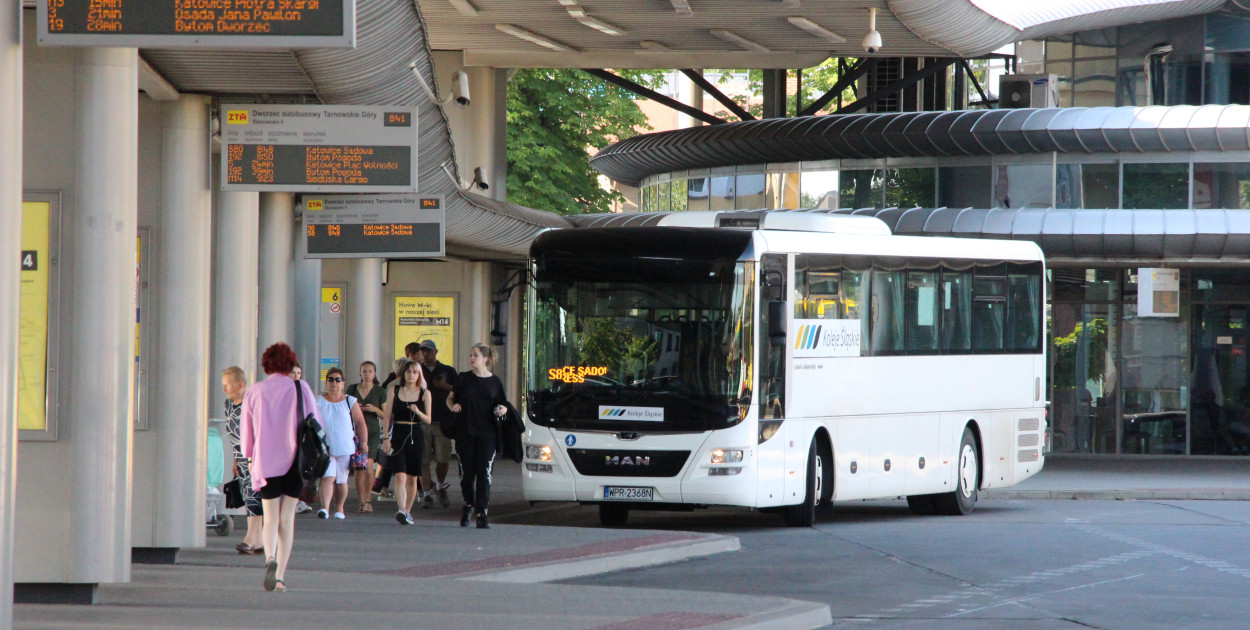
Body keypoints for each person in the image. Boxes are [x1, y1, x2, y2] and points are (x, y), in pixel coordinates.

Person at [240, 342, 322, 592]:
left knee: (270, 518)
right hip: (295, 462)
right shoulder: (300, 388)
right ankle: (280, 577)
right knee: (287, 520)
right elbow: (316, 423)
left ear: (266, 364)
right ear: (289, 363)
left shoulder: (255, 390)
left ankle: (270, 559)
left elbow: (247, 432)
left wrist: (249, 456)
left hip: (265, 463)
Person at [447, 343, 508, 529]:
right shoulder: (463, 378)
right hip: (465, 431)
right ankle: (468, 504)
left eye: (476, 355)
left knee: (485, 473)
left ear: (486, 359)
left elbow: (503, 403)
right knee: (467, 474)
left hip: (487, 433)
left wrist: (502, 409)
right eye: (470, 355)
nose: (472, 358)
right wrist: (453, 406)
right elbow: (450, 398)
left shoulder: (495, 381)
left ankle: (482, 512)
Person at [380, 358, 431, 525]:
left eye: (415, 372)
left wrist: (418, 411)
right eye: (408, 371)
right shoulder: (394, 390)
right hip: (399, 434)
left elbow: (428, 419)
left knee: (412, 477)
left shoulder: (425, 393)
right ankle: (401, 509)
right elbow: (387, 415)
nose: (411, 375)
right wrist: (386, 437)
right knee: (400, 475)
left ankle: (408, 511)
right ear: (404, 374)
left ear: (419, 375)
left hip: (416, 434)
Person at [315, 367, 368, 520]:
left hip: (345, 446)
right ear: (326, 382)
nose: (334, 383)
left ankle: (339, 508)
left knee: (341, 480)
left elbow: (360, 423)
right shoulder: (319, 401)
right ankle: (324, 508)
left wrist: (363, 442)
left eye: (338, 380)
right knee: (328, 476)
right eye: (331, 379)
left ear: (343, 383)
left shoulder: (349, 401)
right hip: (325, 448)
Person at [222, 366, 263, 554]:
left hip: (255, 457)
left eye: (227, 385)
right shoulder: (228, 405)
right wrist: (235, 460)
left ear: (240, 385)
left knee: (254, 497)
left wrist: (254, 458)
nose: (225, 389)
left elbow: (259, 433)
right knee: (248, 497)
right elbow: (233, 435)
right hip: (241, 457)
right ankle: (258, 540)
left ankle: (250, 539)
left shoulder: (253, 404)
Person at [417, 339, 457, 509]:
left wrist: (444, 386)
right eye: (423, 351)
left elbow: (459, 391)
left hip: (442, 421)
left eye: (428, 351)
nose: (425, 354)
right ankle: (426, 494)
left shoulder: (448, 371)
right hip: (422, 421)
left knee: (443, 458)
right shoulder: (416, 371)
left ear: (435, 352)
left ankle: (439, 486)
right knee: (423, 459)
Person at [346, 361, 386, 513]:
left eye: (370, 371)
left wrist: (375, 409)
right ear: (360, 373)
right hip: (355, 431)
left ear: (375, 374)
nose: (367, 374)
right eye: (364, 371)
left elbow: (386, 414)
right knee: (359, 467)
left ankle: (368, 498)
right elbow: (345, 407)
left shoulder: (380, 391)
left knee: (369, 466)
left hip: (373, 431)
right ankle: (361, 501)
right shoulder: (352, 389)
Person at [290, 362, 315, 515]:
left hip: (299, 434)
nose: (296, 376)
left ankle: (298, 500)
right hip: (284, 437)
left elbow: (310, 412)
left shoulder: (302, 389)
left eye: (298, 373)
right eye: (293, 373)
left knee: (298, 467)